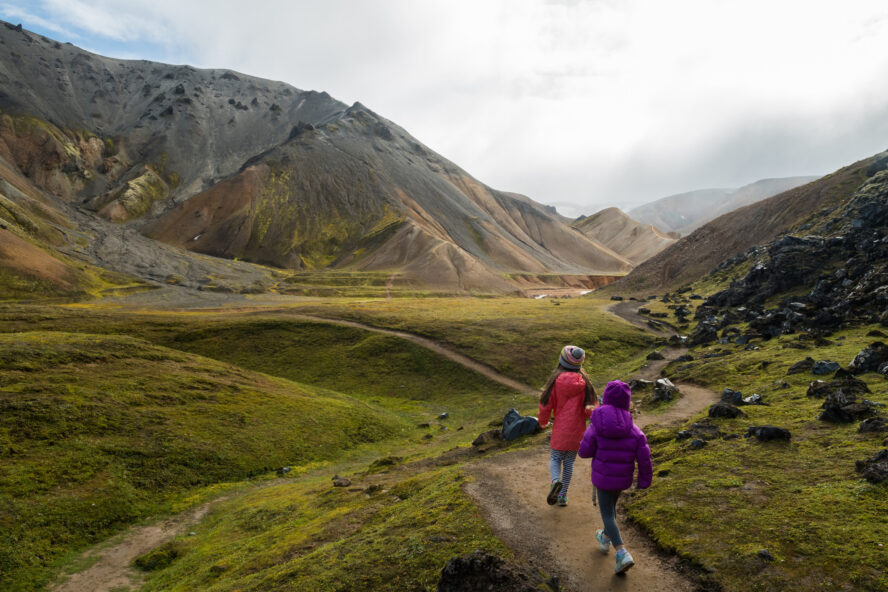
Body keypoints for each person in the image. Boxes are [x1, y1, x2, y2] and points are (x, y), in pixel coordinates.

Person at [578, 379, 652, 574]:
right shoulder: (634, 429)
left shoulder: (596, 424)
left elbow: (584, 452)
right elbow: (645, 457)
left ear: (606, 399)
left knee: (607, 514)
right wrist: (644, 480)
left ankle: (621, 553)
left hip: (603, 479)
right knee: (611, 509)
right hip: (622, 479)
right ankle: (604, 538)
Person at [537, 345, 597, 507]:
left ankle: (555, 481)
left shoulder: (555, 382)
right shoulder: (585, 384)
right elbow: (591, 410)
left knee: (555, 458)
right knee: (569, 463)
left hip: (560, 431)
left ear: (561, 362)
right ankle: (563, 496)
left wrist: (542, 421)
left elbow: (545, 406)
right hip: (577, 432)